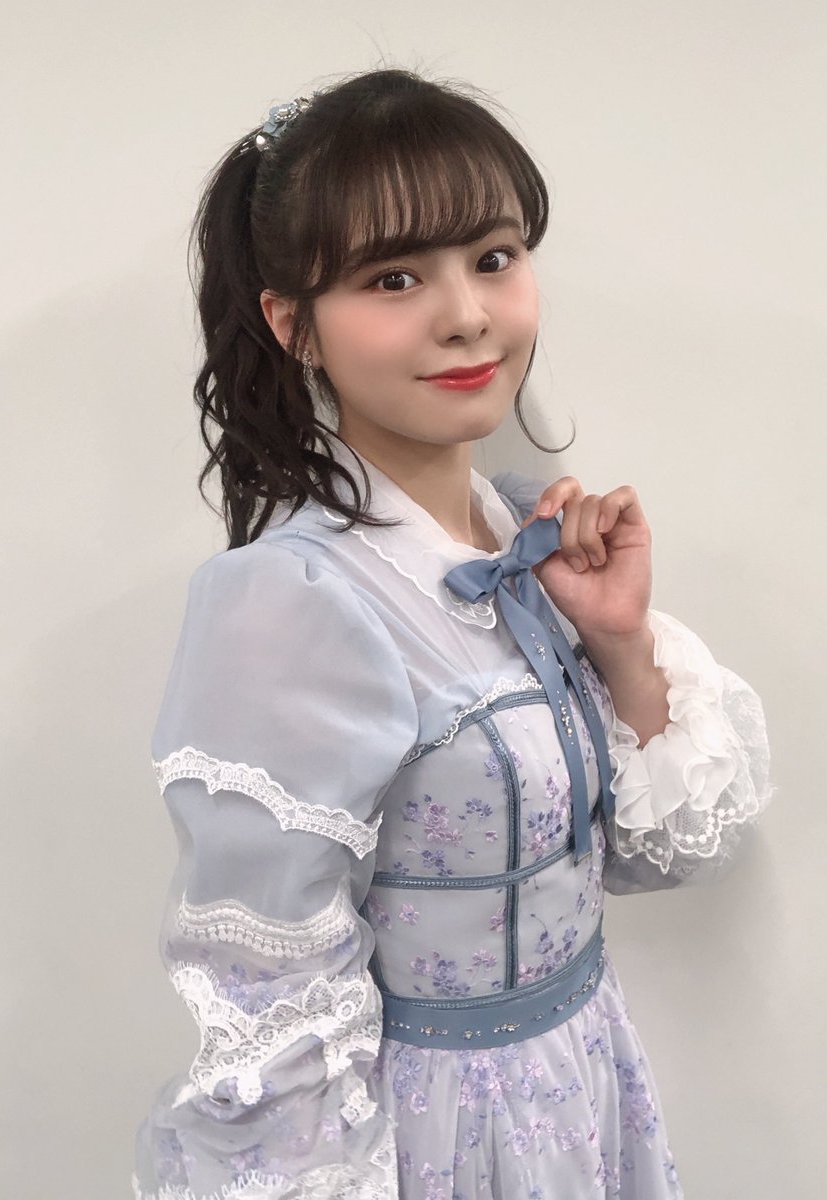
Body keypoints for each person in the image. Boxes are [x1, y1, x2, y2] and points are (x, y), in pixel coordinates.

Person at [132, 68, 773, 1200]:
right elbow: (263, 991)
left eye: (492, 256)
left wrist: (617, 641)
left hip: (583, 1086)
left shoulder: (523, 535)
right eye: (393, 278)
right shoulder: (291, 601)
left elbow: (667, 854)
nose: (467, 314)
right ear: (294, 325)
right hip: (436, 1135)